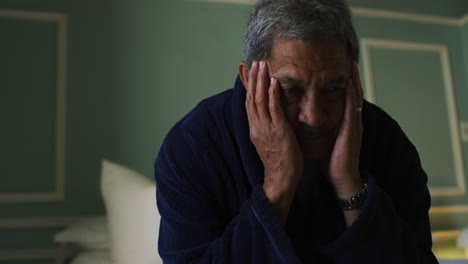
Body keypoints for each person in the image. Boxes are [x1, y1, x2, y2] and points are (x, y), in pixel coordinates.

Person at [154, 0, 439, 263]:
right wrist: (276, 187)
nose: (314, 117)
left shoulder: (389, 143)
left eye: (333, 89)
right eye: (290, 91)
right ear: (248, 77)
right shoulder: (191, 147)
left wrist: (351, 188)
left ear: (352, 76)